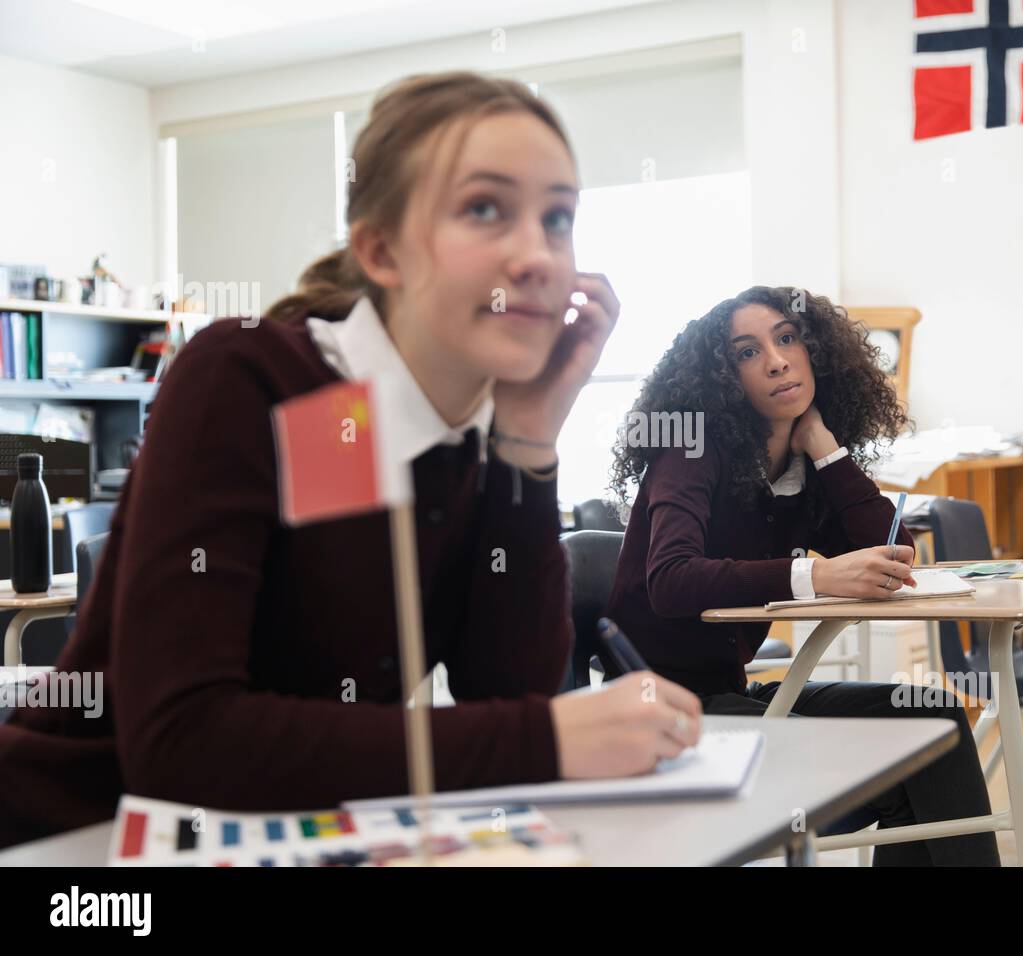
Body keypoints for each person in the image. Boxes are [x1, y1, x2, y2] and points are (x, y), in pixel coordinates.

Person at [0, 71, 702, 849]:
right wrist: (548, 739)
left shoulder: (464, 437)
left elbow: (504, 692)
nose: (538, 254)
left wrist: (528, 441)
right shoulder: (260, 381)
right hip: (72, 840)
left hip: (292, 837)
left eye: (559, 216)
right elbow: (185, 744)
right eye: (483, 208)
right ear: (380, 250)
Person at [606, 285, 999, 865]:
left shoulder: (800, 468)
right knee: (900, 767)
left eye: (787, 338)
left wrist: (823, 446)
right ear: (722, 379)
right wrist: (814, 575)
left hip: (733, 697)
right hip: (666, 714)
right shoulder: (691, 450)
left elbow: (896, 552)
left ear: (815, 349)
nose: (776, 359)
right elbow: (672, 578)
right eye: (747, 352)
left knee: (930, 714)